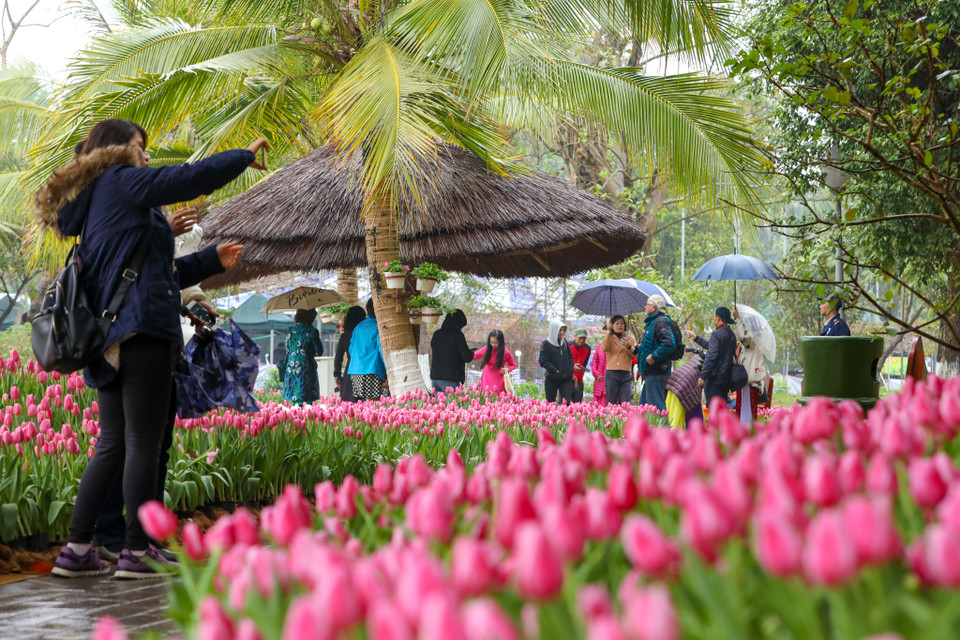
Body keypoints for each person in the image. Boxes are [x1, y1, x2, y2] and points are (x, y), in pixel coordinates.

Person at [36, 118, 265, 578]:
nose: (145, 155)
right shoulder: (121, 182)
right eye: (139, 146)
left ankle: (78, 550)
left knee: (115, 442)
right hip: (142, 334)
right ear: (116, 149)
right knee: (140, 441)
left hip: (110, 336)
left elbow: (149, 275)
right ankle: (136, 549)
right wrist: (241, 157)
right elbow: (184, 178)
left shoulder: (99, 201)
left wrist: (208, 261)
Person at [684, 307, 737, 411]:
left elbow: (711, 356)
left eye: (714, 316)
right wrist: (696, 338)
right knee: (722, 408)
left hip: (715, 380)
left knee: (714, 409)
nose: (713, 319)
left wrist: (703, 376)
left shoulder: (717, 334)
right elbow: (712, 346)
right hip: (725, 378)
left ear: (718, 318)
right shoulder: (730, 334)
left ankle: (716, 427)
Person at [634, 295, 675, 411]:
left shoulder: (660, 321)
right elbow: (655, 342)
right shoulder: (652, 322)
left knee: (657, 408)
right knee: (645, 406)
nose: (645, 307)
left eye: (647, 304)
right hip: (650, 372)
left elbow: (669, 344)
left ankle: (664, 429)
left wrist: (654, 356)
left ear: (654, 307)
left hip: (657, 372)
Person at [733, 307, 767, 425]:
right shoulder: (754, 340)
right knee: (747, 413)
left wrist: (737, 319)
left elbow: (743, 338)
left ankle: (746, 438)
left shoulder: (752, 340)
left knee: (746, 415)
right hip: (748, 382)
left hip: (749, 382)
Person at [281, 309, 323, 404]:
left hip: (292, 367)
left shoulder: (291, 330)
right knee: (307, 399)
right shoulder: (312, 331)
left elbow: (288, 347)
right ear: (312, 316)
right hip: (306, 367)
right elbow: (319, 351)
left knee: (295, 398)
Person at [348, 299, 387, 401]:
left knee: (366, 403)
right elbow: (381, 349)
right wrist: (388, 367)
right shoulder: (379, 326)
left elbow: (351, 349)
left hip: (356, 370)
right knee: (374, 405)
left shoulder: (359, 326)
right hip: (372, 370)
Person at [430, 309, 474, 393]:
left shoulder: (437, 334)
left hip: (435, 378)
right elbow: (467, 357)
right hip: (451, 379)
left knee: (436, 405)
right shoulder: (457, 335)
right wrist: (471, 352)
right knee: (449, 405)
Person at [599, 315, 637, 405]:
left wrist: (629, 347)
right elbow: (603, 348)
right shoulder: (610, 337)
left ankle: (626, 419)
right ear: (612, 325)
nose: (620, 326)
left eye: (622, 323)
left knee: (626, 403)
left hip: (626, 374)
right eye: (617, 323)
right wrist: (608, 332)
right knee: (611, 403)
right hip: (612, 374)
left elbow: (637, 356)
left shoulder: (630, 339)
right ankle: (611, 419)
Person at [334, 305, 366, 402]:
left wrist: (338, 376)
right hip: (366, 370)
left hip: (350, 372)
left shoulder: (345, 335)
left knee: (350, 407)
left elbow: (338, 358)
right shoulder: (365, 332)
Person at [539, 319, 575, 404]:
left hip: (565, 378)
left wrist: (570, 370)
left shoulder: (564, 342)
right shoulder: (546, 344)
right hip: (552, 378)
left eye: (563, 330)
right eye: (559, 330)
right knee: (551, 402)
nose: (562, 332)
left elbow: (570, 357)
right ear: (554, 330)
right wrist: (555, 370)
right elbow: (543, 360)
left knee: (566, 402)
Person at [665, 354, 704, 429]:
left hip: (675, 379)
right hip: (685, 386)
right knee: (678, 418)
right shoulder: (712, 363)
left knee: (673, 416)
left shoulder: (701, 356)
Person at [473, 330, 516, 395]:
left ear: (501, 342)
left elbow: (513, 365)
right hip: (486, 379)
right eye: (491, 342)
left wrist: (507, 369)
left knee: (498, 399)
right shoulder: (486, 350)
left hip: (499, 380)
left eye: (496, 343)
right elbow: (473, 356)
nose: (493, 345)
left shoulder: (506, 352)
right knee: (486, 398)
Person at [570, 329, 591, 403]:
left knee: (578, 404)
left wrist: (583, 368)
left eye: (584, 338)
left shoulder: (587, 348)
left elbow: (585, 364)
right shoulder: (568, 346)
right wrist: (572, 367)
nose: (582, 340)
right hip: (567, 380)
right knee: (565, 404)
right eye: (580, 338)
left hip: (579, 380)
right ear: (575, 336)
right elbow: (563, 363)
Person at [590, 326, 608, 404]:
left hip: (608, 380)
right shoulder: (599, 346)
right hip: (599, 379)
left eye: (605, 333)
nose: (603, 335)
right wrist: (596, 373)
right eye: (603, 333)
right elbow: (594, 361)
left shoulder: (613, 347)